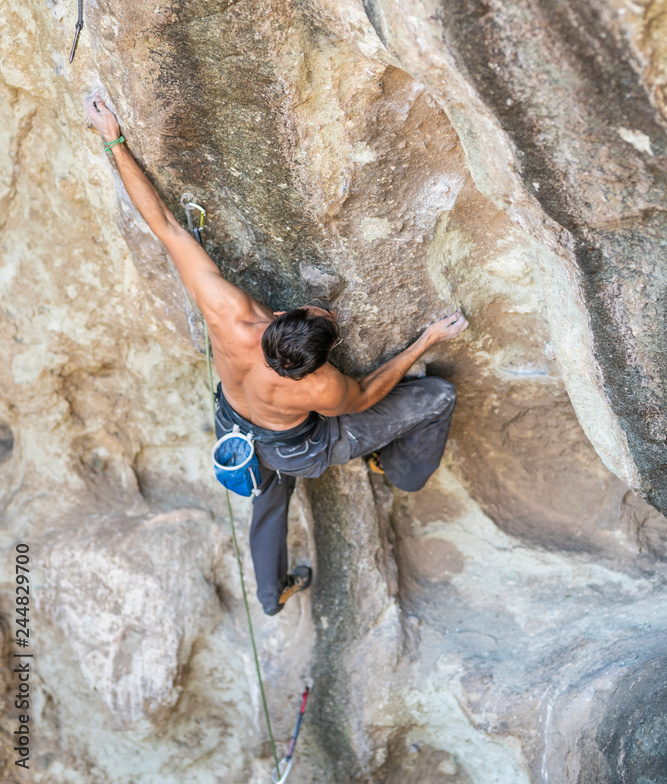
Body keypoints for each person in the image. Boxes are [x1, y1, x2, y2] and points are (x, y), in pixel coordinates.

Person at [84, 91, 469, 615]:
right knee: (438, 396)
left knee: (267, 501)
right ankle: (396, 470)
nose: (321, 308)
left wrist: (114, 140)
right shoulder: (320, 387)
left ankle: (270, 595)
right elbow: (365, 398)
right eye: (322, 316)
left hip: (236, 425)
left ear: (280, 324)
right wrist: (425, 341)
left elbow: (167, 229)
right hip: (296, 447)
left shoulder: (229, 313)